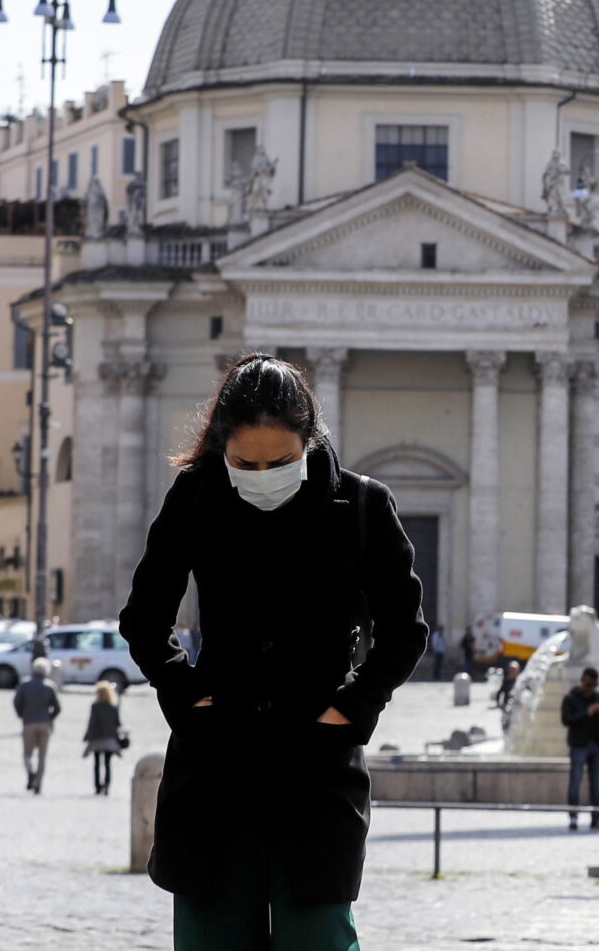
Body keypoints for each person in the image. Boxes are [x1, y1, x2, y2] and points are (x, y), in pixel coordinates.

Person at [121, 353, 427, 949]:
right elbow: (144, 617)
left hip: (316, 768)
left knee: (319, 938)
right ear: (221, 447)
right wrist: (187, 698)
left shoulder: (364, 506)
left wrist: (352, 708)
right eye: (245, 462)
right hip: (214, 763)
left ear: (309, 440)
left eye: (281, 462)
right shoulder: (195, 495)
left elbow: (405, 630)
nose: (263, 473)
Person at [559, 667, 599, 829]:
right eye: (589, 684)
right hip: (578, 745)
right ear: (583, 681)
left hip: (596, 745)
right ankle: (573, 817)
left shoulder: (598, 698)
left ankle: (596, 818)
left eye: (594, 685)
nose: (591, 688)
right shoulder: (571, 698)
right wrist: (587, 712)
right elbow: (567, 720)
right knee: (575, 782)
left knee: (597, 784)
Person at [13, 657, 62, 794]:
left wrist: (22, 715)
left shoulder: (25, 685)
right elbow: (57, 708)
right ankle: (38, 784)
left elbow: (17, 702)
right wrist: (49, 718)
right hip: (45, 724)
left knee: (27, 754)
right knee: (42, 756)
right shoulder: (50, 686)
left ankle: (30, 772)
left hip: (29, 723)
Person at [84, 678, 126, 795]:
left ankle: (97, 787)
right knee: (107, 763)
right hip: (110, 738)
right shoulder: (112, 707)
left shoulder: (95, 706)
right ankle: (107, 785)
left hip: (97, 737)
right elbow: (118, 723)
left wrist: (87, 736)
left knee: (97, 763)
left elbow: (92, 722)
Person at [496, 659, 521, 730]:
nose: (512, 672)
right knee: (506, 722)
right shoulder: (506, 680)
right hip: (506, 704)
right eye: (511, 670)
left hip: (516, 705)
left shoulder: (520, 681)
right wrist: (499, 703)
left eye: (514, 670)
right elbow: (500, 692)